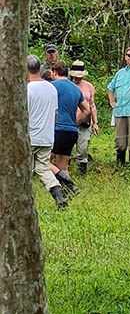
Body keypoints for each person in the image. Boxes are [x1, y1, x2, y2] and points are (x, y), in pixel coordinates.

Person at [26, 55, 68, 209]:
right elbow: (55, 113)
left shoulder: (27, 89)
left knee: (25, 170)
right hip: (47, 136)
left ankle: (25, 201)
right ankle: (59, 197)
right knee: (43, 168)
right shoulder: (51, 88)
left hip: (30, 136)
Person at [49, 61, 91, 197]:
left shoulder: (52, 86)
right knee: (63, 166)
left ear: (54, 72)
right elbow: (87, 110)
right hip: (71, 131)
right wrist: (75, 122)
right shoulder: (75, 89)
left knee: (41, 161)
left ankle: (68, 184)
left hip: (57, 129)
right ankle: (68, 191)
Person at [69, 60, 99, 175]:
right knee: (68, 148)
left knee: (83, 147)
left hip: (85, 122)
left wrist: (95, 122)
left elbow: (92, 105)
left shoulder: (88, 86)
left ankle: (82, 171)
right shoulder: (68, 86)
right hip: (71, 120)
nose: (78, 78)